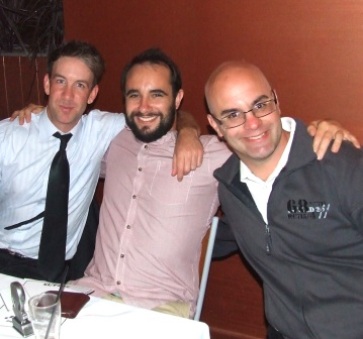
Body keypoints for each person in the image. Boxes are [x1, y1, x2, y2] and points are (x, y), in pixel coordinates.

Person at [74, 48, 359, 319]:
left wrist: (322, 128)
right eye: (134, 95)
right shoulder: (111, 142)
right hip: (92, 292)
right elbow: (62, 136)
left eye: (157, 94)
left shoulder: (214, 154)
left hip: (159, 308)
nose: (145, 106)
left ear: (177, 99)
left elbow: (267, 143)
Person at [0, 40, 203, 283]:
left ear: (92, 94)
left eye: (80, 85)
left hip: (60, 274)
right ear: (47, 84)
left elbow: (162, 114)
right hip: (5, 260)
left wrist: (189, 132)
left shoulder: (99, 129)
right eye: (60, 81)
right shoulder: (9, 136)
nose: (67, 95)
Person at [205, 60, 363, 338]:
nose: (252, 123)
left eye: (260, 104)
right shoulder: (229, 188)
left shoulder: (337, 164)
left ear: (276, 101)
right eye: (232, 115)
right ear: (216, 126)